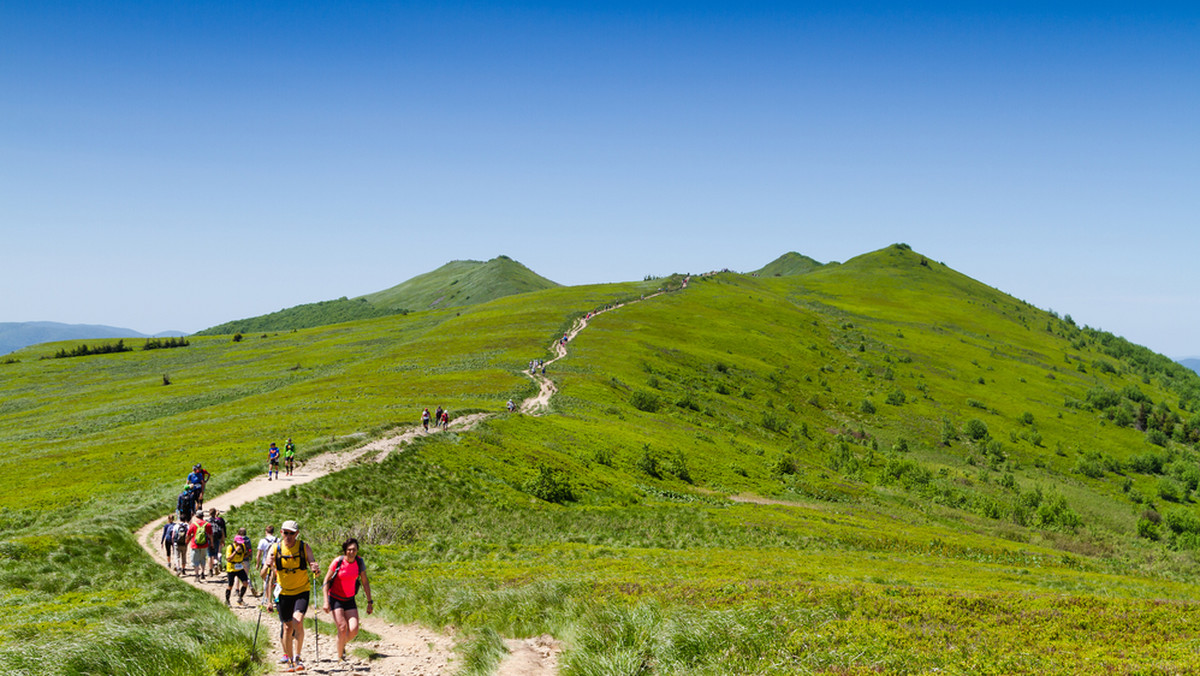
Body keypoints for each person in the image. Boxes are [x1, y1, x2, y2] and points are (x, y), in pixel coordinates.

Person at [263, 520, 319, 673]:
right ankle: (290, 660)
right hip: (283, 592)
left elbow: (314, 567)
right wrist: (268, 563)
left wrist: (316, 569)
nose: (288, 536)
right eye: (285, 532)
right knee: (287, 627)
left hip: (302, 590)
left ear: (297, 533)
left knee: (298, 621)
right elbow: (266, 573)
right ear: (281, 532)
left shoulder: (304, 547)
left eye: (291, 533)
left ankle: (298, 657)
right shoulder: (275, 548)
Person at [321, 538, 374, 663]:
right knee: (342, 627)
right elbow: (326, 581)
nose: (351, 552)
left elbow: (365, 583)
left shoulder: (359, 562)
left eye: (354, 550)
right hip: (335, 598)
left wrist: (369, 602)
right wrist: (325, 601)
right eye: (349, 550)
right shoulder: (338, 562)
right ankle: (340, 658)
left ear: (357, 551)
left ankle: (341, 642)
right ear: (345, 550)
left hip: (350, 599)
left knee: (354, 630)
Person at [225, 528, 252, 606]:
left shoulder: (242, 546)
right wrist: (236, 551)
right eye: (238, 543)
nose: (239, 544)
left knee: (245, 583)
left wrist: (248, 554)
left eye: (240, 543)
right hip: (231, 568)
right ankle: (227, 601)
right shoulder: (230, 547)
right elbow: (228, 559)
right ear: (235, 541)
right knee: (230, 585)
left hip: (240, 567)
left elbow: (243, 555)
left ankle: (240, 599)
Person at [256, 525, 280, 612]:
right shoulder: (278, 540)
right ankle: (271, 597)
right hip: (275, 564)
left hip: (265, 563)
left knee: (265, 580)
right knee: (271, 581)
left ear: (266, 531)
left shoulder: (263, 541)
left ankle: (267, 598)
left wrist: (257, 564)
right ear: (273, 531)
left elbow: (259, 554)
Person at [187, 512, 213, 580]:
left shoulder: (193, 524)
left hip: (195, 545)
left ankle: (196, 575)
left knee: (195, 560)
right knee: (203, 559)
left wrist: (186, 541)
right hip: (204, 544)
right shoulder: (208, 524)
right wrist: (212, 543)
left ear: (196, 516)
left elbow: (188, 534)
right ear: (203, 516)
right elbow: (210, 535)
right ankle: (203, 573)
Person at [207, 508, 226, 578]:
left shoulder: (207, 521)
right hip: (217, 539)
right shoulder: (218, 521)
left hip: (209, 539)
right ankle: (215, 564)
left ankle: (210, 571)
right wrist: (222, 540)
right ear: (215, 513)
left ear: (209, 513)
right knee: (215, 554)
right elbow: (222, 531)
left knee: (209, 555)